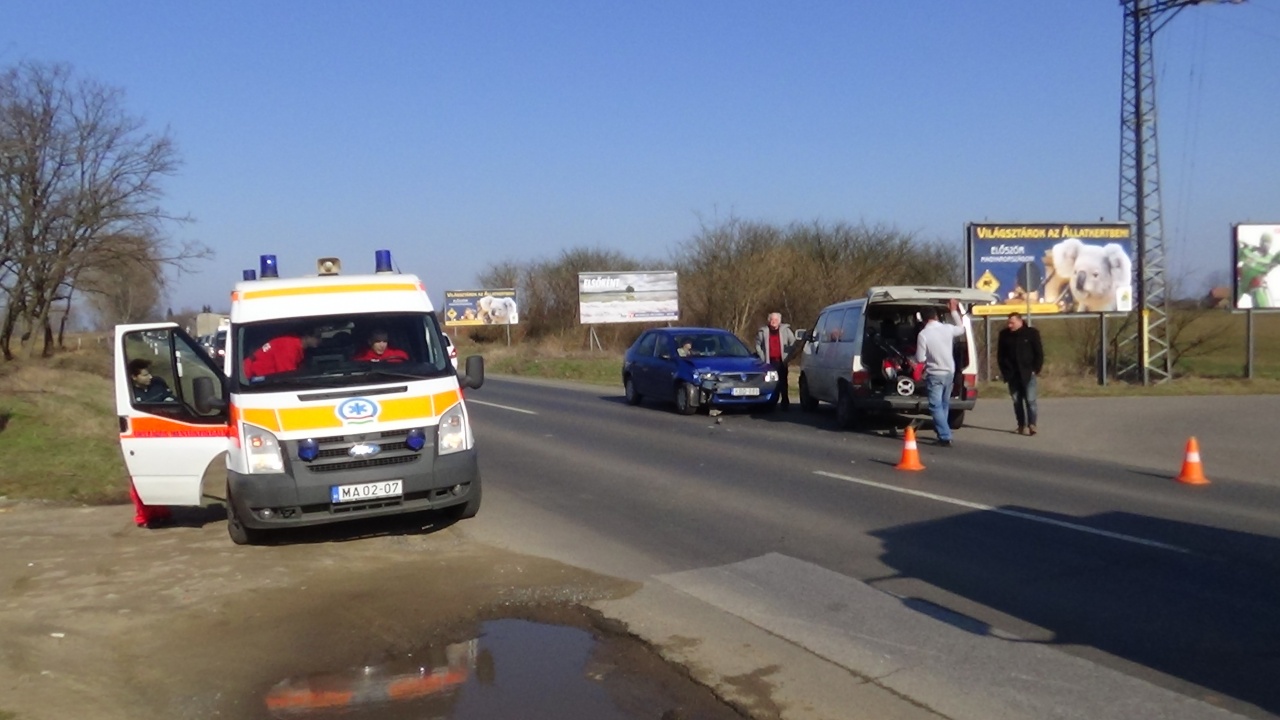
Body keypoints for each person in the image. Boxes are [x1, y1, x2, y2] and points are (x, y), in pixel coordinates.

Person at [914, 300, 967, 447]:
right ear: (936, 316)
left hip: (935, 373)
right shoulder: (947, 328)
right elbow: (961, 329)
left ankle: (945, 435)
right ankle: (941, 431)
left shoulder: (923, 335)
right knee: (944, 404)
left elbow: (920, 358)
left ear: (923, 319)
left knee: (934, 406)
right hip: (949, 371)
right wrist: (954, 311)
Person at [996, 312, 1044, 436]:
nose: (1010, 325)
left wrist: (1035, 369)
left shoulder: (1031, 333)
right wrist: (1005, 370)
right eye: (1008, 323)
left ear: (1020, 321)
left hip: (1028, 373)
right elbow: (1000, 355)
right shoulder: (1004, 335)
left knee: (1030, 400)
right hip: (1012, 374)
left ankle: (1032, 424)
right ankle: (1021, 425)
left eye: (1012, 322)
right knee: (1017, 401)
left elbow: (1039, 353)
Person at [243, 326, 322, 378]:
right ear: (307, 336)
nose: (319, 340)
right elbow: (287, 376)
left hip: (261, 376)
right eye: (317, 337)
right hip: (251, 375)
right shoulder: (289, 347)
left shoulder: (294, 343)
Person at [755, 312, 797, 407]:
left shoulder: (786, 330)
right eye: (772, 320)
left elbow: (793, 343)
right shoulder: (763, 331)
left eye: (776, 320)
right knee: (770, 382)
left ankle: (785, 402)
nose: (774, 322)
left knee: (783, 382)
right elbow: (758, 345)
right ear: (769, 321)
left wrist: (788, 356)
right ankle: (771, 402)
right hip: (769, 362)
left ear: (779, 321)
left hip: (782, 361)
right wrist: (763, 357)